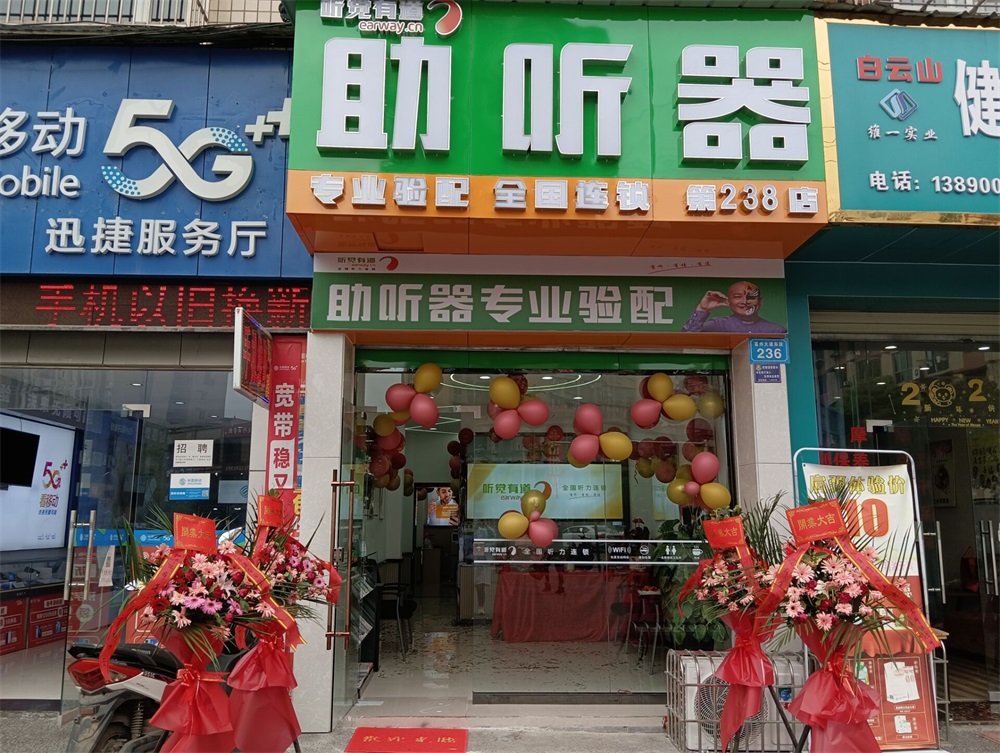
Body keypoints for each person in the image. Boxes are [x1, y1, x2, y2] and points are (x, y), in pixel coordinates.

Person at [681, 280, 787, 334]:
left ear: (760, 301)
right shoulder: (718, 325)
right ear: (728, 301)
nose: (745, 302)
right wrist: (702, 309)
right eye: (737, 297)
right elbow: (686, 340)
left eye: (751, 297)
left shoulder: (776, 331)